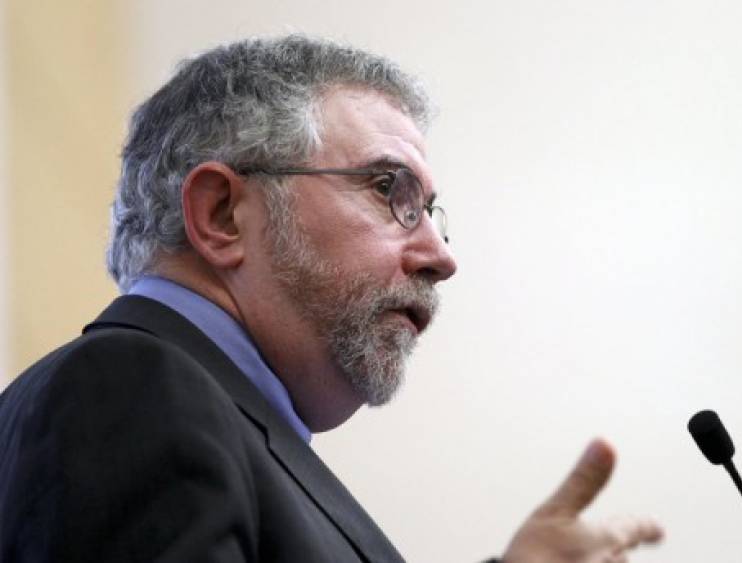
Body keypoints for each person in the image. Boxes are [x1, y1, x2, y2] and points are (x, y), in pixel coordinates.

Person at [0, 35, 662, 562]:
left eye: (429, 211)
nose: (441, 256)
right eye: (387, 190)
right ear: (223, 213)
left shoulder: (192, 414)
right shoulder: (131, 388)